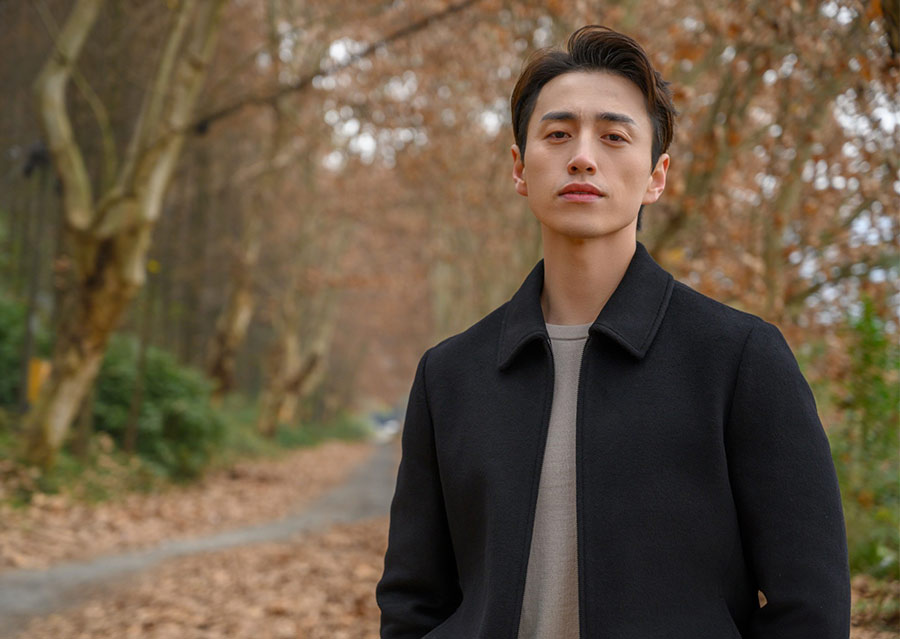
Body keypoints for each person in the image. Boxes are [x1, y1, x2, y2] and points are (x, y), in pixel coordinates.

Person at [376, 24, 850, 638]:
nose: (582, 156)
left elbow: (811, 606)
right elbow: (412, 602)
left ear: (656, 175)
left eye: (614, 135)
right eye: (557, 133)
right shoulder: (450, 376)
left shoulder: (739, 359)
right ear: (519, 168)